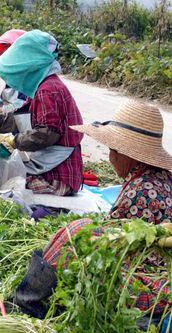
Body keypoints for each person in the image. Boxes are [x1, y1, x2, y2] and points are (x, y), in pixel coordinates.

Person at [14, 100, 172, 328]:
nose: (110, 157)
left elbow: (116, 249)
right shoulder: (159, 177)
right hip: (155, 274)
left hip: (150, 288)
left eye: (111, 151)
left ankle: (27, 305)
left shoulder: (142, 191)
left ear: (125, 154)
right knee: (75, 232)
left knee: (75, 236)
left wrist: (77, 240)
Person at [0, 30, 84, 196]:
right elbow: (21, 118)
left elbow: (45, 134)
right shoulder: (42, 86)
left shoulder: (48, 90)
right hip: (47, 164)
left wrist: (13, 140)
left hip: (58, 176)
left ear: (29, 67)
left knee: (4, 184)